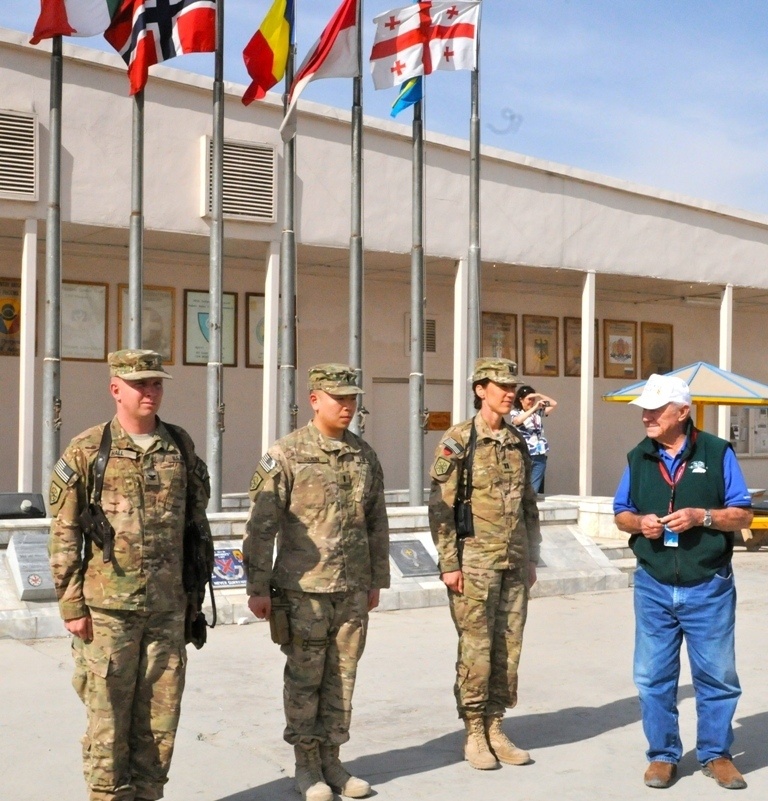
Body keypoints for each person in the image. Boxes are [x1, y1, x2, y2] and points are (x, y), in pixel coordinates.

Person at [48, 349, 212, 801]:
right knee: (107, 722)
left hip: (167, 609)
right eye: (140, 384)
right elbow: (63, 533)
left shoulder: (179, 445)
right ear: (115, 388)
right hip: (108, 613)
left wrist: (192, 597)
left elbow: (196, 522)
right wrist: (72, 605)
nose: (150, 392)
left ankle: (148, 795)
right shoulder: (88, 450)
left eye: (156, 383)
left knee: (161, 721)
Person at [243, 363, 390, 801]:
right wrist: (257, 585)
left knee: (343, 677)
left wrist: (376, 579)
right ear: (314, 399)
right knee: (305, 681)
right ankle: (307, 767)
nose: (347, 406)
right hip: (302, 591)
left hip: (351, 589)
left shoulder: (364, 455)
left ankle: (334, 761)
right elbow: (261, 525)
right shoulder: (285, 454)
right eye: (338, 398)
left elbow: (376, 523)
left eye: (352, 399)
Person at [613, 373, 753, 791]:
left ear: (682, 412)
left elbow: (742, 514)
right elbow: (621, 513)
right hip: (653, 584)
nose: (646, 418)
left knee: (717, 677)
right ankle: (662, 755)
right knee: (652, 676)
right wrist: (639, 522)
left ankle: (715, 754)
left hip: (707, 584)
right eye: (644, 411)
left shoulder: (717, 451)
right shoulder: (638, 457)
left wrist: (701, 516)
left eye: (655, 410)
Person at [428, 357, 541, 771]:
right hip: (474, 562)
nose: (510, 393)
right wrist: (449, 562)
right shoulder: (459, 439)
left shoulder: (516, 440)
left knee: (508, 648)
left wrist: (530, 556)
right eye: (501, 386)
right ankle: (474, 729)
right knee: (476, 648)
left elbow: (529, 503)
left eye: (513, 386)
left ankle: (496, 724)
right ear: (480, 389)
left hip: (513, 561)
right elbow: (440, 508)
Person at [511, 384, 557, 494]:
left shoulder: (537, 413)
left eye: (533, 399)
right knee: (521, 486)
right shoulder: (516, 412)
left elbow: (554, 404)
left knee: (533, 489)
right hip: (524, 454)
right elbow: (517, 421)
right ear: (521, 399)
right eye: (529, 399)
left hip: (539, 455)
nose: (531, 402)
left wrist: (539, 394)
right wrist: (535, 407)